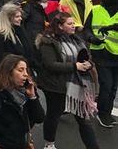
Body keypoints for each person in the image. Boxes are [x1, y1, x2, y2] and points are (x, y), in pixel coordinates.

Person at [36, 12, 99, 149]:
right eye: (69, 24)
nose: (73, 26)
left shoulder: (77, 40)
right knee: (54, 114)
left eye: (73, 23)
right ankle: (49, 144)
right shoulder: (48, 41)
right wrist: (74, 66)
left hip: (77, 85)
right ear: (60, 26)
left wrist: (89, 64)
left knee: (84, 120)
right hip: (55, 85)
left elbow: (86, 57)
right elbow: (50, 64)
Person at [0, 54, 45, 149]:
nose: (26, 74)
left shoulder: (25, 95)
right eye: (20, 70)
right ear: (9, 73)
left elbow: (39, 118)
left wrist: (32, 97)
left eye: (26, 70)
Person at [85, 0, 118, 128]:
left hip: (116, 54)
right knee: (107, 84)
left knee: (114, 87)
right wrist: (92, 38)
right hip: (101, 52)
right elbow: (87, 29)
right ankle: (102, 113)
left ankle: (107, 112)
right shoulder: (96, 9)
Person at [0, 4, 34, 74]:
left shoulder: (19, 30)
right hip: (7, 76)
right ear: (8, 18)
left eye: (20, 16)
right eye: (17, 16)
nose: (21, 18)